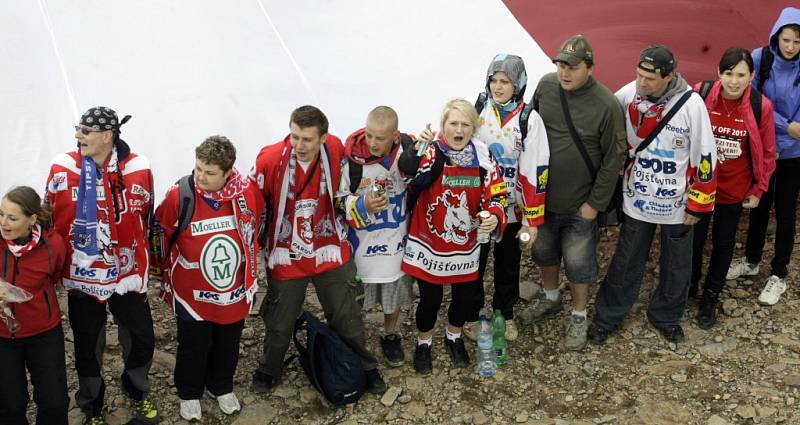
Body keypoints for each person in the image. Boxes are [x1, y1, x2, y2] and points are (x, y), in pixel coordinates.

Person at [250, 105, 387, 395]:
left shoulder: (336, 149)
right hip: (287, 251)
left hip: (329, 245)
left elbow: (348, 186)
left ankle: (365, 367)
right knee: (280, 319)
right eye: (294, 136)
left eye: (306, 139)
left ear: (323, 138)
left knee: (346, 313)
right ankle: (268, 368)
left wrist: (362, 206)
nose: (298, 145)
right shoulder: (270, 158)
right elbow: (255, 206)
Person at [590, 45, 718, 344]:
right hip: (638, 200)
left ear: (669, 76)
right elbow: (602, 122)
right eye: (639, 75)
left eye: (650, 78)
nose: (642, 83)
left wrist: (699, 204)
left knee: (677, 264)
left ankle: (666, 316)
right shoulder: (627, 95)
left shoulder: (691, 105)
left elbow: (706, 154)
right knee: (626, 260)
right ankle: (608, 316)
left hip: (677, 203)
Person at [45, 107, 159, 425]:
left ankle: (135, 390)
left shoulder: (138, 167)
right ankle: (92, 404)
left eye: (85, 130)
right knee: (86, 343)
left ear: (107, 135)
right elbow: (48, 216)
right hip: (83, 275)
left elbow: (146, 217)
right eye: (77, 129)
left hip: (127, 273)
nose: (77, 135)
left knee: (143, 338)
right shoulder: (62, 167)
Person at [518, 35, 626, 351]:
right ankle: (551, 298)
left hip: (581, 204)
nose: (564, 72)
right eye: (560, 65)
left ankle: (579, 315)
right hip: (542, 201)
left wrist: (594, 204)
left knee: (579, 263)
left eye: (572, 67)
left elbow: (612, 159)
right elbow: (528, 130)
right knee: (544, 252)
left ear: (589, 68)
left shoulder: (606, 104)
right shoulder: (546, 87)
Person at [154, 136, 263, 421]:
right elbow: (161, 233)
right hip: (193, 293)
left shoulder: (247, 192)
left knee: (229, 341)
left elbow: (256, 225)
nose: (200, 176)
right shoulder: (180, 195)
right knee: (193, 344)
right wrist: (159, 272)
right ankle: (189, 392)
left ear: (228, 173)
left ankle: (221, 386)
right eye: (198, 168)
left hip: (233, 289)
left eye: (210, 172)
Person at [398, 98, 507, 374]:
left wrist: (493, 215)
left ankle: (453, 336)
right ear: (443, 126)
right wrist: (417, 147)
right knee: (430, 300)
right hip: (430, 243)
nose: (459, 130)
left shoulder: (483, 155)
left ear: (474, 127)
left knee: (464, 298)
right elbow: (407, 170)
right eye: (453, 123)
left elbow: (497, 193)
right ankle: (424, 343)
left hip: (468, 244)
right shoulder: (430, 152)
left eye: (465, 124)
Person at [463, 54, 549, 343]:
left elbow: (535, 167)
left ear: (519, 84)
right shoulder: (477, 110)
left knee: (508, 264)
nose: (498, 87)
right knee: (475, 262)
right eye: (494, 80)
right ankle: (471, 314)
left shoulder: (529, 119)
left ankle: (505, 313)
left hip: (512, 208)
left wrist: (531, 220)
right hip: (481, 207)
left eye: (506, 82)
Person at [690, 48, 776, 329]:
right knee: (694, 239)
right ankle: (688, 287)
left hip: (734, 188)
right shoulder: (700, 95)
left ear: (751, 76)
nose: (734, 81)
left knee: (724, 243)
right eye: (729, 73)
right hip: (701, 185)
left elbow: (767, 151)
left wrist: (759, 189)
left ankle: (710, 297)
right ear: (719, 72)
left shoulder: (759, 105)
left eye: (741, 75)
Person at [727, 7, 800, 306]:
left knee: (785, 213)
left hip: (795, 152)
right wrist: (787, 126)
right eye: (786, 39)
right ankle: (751, 259)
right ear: (776, 36)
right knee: (758, 206)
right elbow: (752, 98)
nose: (791, 47)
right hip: (764, 146)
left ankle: (778, 274)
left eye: (797, 41)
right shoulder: (760, 58)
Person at [336, 106, 415, 367]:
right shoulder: (352, 161)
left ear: (395, 135)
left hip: (396, 244)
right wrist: (362, 206)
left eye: (379, 138)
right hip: (362, 248)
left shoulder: (407, 154)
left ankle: (390, 334)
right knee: (355, 299)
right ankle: (352, 343)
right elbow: (336, 201)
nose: (372, 143)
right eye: (369, 135)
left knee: (394, 293)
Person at [0, 186, 68, 425]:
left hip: (43, 332)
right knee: (9, 404)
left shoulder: (54, 245)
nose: (4, 223)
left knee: (54, 401)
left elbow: (56, 275)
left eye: (12, 217)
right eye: (1, 214)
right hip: (2, 336)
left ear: (32, 219)